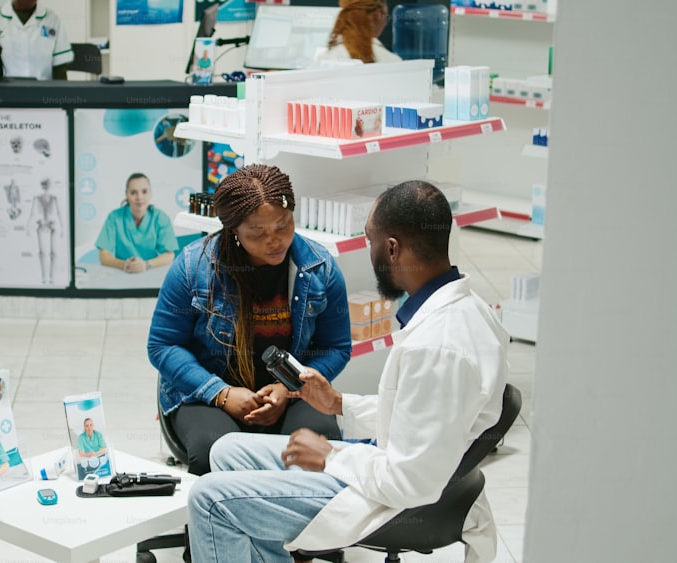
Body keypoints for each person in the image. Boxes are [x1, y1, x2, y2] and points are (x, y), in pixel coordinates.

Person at [186, 180, 509, 563]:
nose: (369, 251)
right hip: (399, 468)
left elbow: (410, 483)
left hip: (391, 499)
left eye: (370, 240)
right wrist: (339, 403)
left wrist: (330, 458)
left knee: (209, 499)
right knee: (228, 450)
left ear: (392, 248)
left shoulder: (437, 346)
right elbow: (423, 415)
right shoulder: (468, 309)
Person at [147, 164, 352, 476]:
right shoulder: (192, 266)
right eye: (258, 232)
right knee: (213, 454)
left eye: (284, 225)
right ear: (234, 230)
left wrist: (291, 388)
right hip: (207, 394)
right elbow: (163, 345)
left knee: (318, 452)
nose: (275, 240)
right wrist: (222, 393)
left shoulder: (319, 268)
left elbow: (336, 347)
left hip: (292, 394)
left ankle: (298, 523)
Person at [96, 173, 178, 273]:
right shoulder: (114, 217)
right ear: (126, 194)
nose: (139, 197)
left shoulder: (160, 218)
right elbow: (103, 255)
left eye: (144, 191)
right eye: (133, 192)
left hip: (151, 272)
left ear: (150, 193)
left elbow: (169, 255)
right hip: (122, 273)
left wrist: (146, 265)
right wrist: (124, 265)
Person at [0, 0, 74, 80]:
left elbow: (60, 70)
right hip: (6, 97)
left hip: (43, 98)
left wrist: (61, 101)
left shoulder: (53, 20)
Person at [316, 0, 402, 64]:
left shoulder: (324, 59)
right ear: (378, 15)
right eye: (386, 16)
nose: (385, 23)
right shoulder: (393, 62)